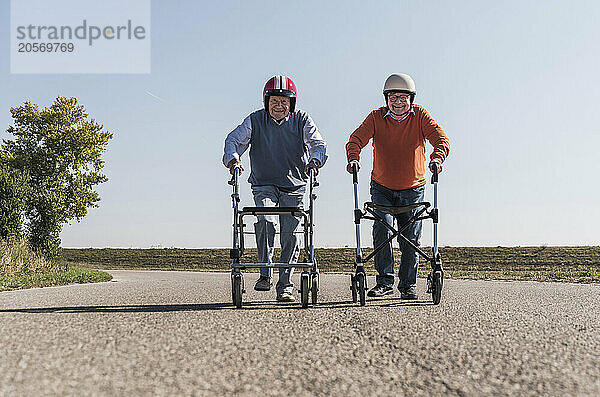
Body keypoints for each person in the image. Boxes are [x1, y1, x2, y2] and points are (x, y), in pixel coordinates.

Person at [345, 73, 450, 300]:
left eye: (403, 97)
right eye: (393, 97)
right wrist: (353, 157)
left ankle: (408, 285)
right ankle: (384, 282)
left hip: (413, 188)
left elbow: (441, 139)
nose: (398, 102)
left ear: (411, 98)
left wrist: (437, 159)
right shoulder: (376, 117)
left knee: (410, 237)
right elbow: (355, 139)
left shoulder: (420, 116)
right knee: (382, 231)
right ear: (386, 98)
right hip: (381, 187)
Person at [223, 75, 327, 302]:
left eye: (284, 101)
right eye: (274, 101)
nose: (279, 105)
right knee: (266, 220)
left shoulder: (302, 120)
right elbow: (233, 140)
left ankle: (285, 285)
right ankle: (265, 273)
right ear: (266, 101)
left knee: (290, 233)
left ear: (292, 103)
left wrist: (315, 161)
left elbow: (318, 144)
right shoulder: (255, 120)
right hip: (264, 184)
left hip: (294, 185)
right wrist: (234, 160)